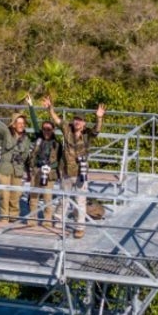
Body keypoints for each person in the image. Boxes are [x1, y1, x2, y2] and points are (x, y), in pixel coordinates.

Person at [49, 100, 106, 238]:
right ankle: (58, 221)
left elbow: (97, 130)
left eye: (80, 120)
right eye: (76, 119)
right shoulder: (67, 129)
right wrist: (50, 108)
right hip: (66, 171)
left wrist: (99, 117)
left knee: (80, 201)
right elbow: (56, 120)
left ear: (84, 123)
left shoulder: (87, 134)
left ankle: (80, 227)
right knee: (64, 198)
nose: (77, 122)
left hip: (81, 172)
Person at [0, 103, 33, 222]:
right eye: (18, 123)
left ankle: (13, 217)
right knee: (4, 195)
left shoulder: (26, 139)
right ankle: (4, 219)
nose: (21, 125)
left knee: (15, 196)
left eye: (23, 123)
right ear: (13, 124)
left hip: (18, 170)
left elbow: (26, 157)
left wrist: (28, 172)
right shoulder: (7, 133)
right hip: (4, 169)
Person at [27, 96, 66, 229]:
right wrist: (31, 106)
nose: (46, 132)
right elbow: (34, 122)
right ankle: (32, 219)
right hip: (37, 170)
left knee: (47, 197)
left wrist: (52, 168)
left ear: (53, 130)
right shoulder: (39, 138)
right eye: (44, 129)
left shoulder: (57, 143)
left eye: (49, 129)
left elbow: (60, 160)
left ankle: (47, 220)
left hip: (49, 173)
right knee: (33, 195)